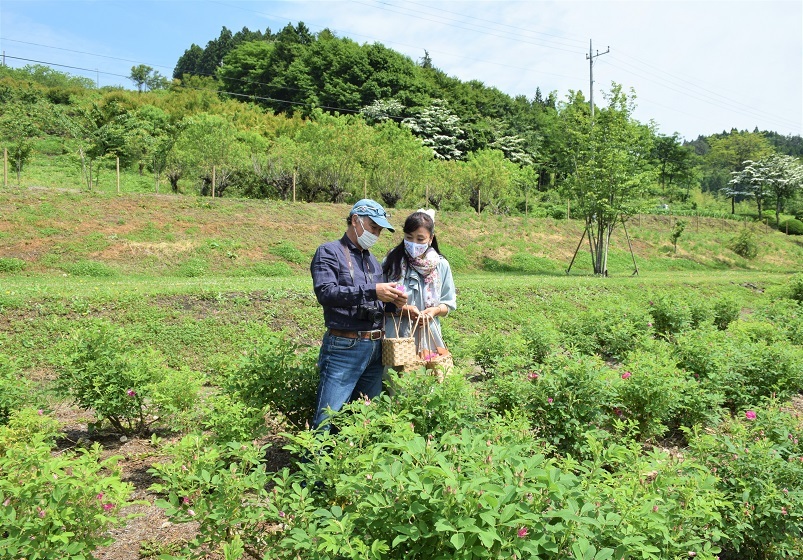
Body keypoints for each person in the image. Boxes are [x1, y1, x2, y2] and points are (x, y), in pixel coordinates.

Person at [310, 199, 407, 430]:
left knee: (365, 418)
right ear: (355, 220)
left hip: (375, 348)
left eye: (380, 230)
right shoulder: (329, 252)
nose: (376, 234)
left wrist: (395, 303)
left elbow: (376, 302)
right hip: (345, 346)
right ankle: (314, 464)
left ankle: (351, 463)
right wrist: (373, 290)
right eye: (373, 227)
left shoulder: (373, 261)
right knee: (328, 417)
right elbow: (326, 293)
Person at [382, 209, 456, 360]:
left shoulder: (441, 265)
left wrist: (434, 311)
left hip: (429, 336)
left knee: (428, 377)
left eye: (420, 239)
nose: (414, 243)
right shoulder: (392, 262)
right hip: (397, 336)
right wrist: (402, 309)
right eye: (409, 237)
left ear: (431, 238)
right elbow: (378, 301)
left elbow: (448, 304)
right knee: (396, 378)